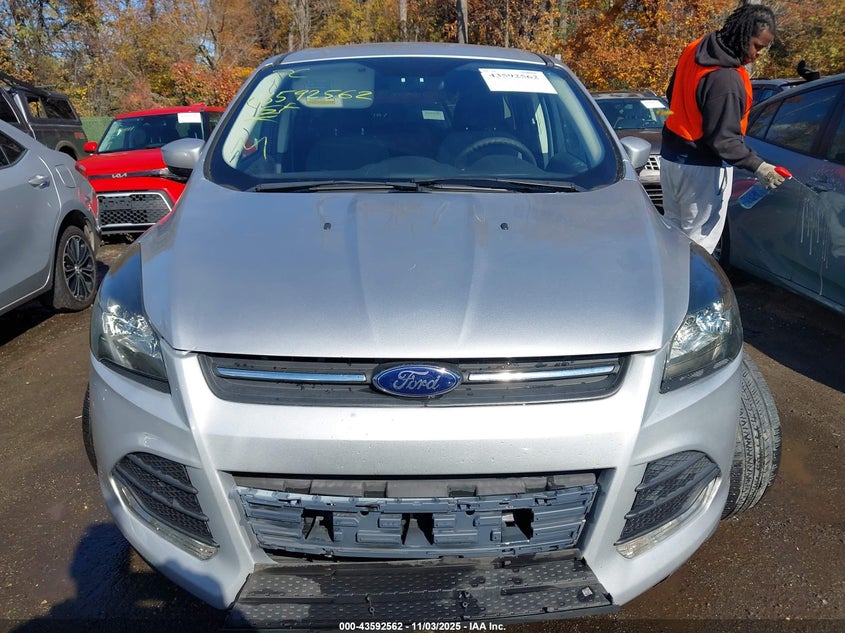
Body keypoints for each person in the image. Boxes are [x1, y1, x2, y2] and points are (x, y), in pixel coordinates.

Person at [660, 3, 786, 254]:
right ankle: (690, 282)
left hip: (672, 160)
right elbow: (723, 140)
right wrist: (759, 166)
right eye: (757, 46)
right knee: (698, 248)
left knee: (673, 237)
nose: (759, 54)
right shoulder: (726, 78)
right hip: (702, 170)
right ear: (742, 36)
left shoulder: (694, 49)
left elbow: (671, 94)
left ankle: (668, 279)